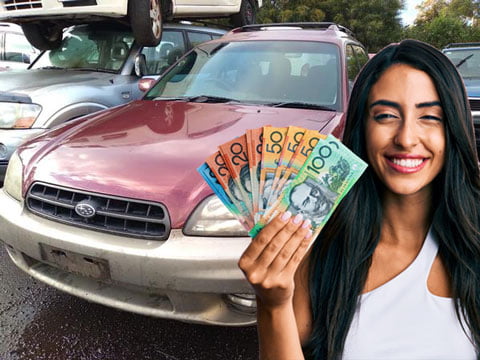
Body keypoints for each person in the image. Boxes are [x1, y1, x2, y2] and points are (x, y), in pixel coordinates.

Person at [238, 39, 480, 360]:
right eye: (386, 116)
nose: (406, 138)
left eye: (430, 117)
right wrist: (272, 304)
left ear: (454, 129)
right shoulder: (321, 251)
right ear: (361, 128)